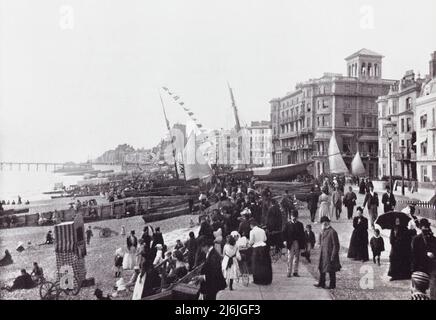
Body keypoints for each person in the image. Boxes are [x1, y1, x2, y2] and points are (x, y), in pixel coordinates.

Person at [194, 236, 227, 300]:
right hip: (212, 284)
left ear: (206, 246)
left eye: (202, 248)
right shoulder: (211, 253)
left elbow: (215, 273)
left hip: (214, 285)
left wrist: (203, 277)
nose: (202, 250)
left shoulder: (213, 256)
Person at [411, 218, 436, 299]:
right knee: (418, 289)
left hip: (431, 267)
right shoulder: (416, 239)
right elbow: (414, 255)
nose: (425, 229)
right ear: (420, 227)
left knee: (433, 287)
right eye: (423, 227)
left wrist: (433, 254)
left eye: (427, 227)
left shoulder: (433, 239)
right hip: (420, 267)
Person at [314, 216, 341, 289]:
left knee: (331, 270)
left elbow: (336, 245)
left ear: (326, 223)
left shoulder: (332, 232)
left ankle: (332, 285)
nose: (322, 225)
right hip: (323, 254)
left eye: (322, 223)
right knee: (322, 269)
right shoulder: (323, 231)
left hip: (329, 254)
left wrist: (333, 256)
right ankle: (321, 283)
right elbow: (320, 241)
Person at [282, 209, 305, 277]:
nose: (294, 218)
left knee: (297, 257)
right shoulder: (287, 224)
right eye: (293, 216)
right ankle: (289, 271)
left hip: (297, 242)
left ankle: (295, 271)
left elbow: (302, 235)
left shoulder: (300, 225)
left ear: (297, 217)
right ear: (291, 216)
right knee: (290, 257)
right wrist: (284, 241)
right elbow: (284, 233)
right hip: (290, 242)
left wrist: (303, 246)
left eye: (295, 216)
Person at [249, 219, 272, 285]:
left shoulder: (252, 231)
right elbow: (265, 239)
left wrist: (248, 244)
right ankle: (266, 279)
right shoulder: (262, 230)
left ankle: (258, 280)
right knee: (265, 264)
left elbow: (251, 242)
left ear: (251, 225)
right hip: (264, 247)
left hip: (256, 248)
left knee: (256, 265)